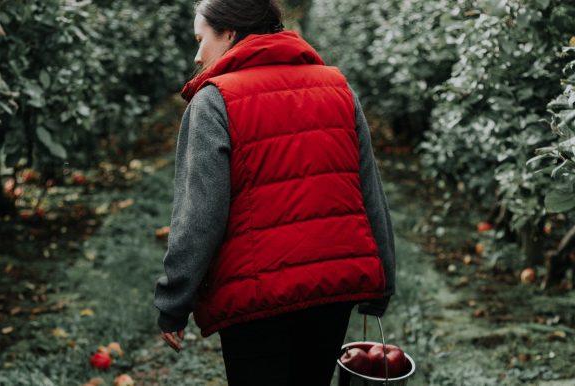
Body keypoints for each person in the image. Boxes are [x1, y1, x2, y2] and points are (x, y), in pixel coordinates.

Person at [152, 0, 396, 384]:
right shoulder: (338, 87)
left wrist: (174, 301)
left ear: (229, 33)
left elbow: (199, 217)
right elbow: (369, 192)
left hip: (256, 297)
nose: (198, 55)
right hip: (331, 290)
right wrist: (384, 280)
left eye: (202, 40)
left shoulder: (214, 100)